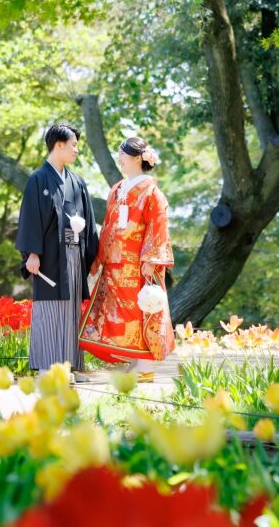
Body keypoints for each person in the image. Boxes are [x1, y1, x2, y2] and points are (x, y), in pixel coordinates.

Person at [78, 136, 174, 381]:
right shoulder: (118, 189)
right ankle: (133, 360)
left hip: (139, 263)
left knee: (141, 310)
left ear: (135, 157)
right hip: (115, 262)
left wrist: (151, 259)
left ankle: (145, 366)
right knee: (120, 314)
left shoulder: (152, 192)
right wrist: (98, 257)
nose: (119, 157)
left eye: (122, 153)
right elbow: (108, 225)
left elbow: (158, 225)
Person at [15, 123, 99, 379]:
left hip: (74, 253)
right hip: (48, 255)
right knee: (49, 308)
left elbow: (89, 219)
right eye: (73, 145)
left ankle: (70, 365)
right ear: (58, 145)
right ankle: (47, 366)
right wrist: (32, 253)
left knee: (72, 308)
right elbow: (30, 218)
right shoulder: (37, 180)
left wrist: (91, 252)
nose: (76, 150)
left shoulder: (77, 182)